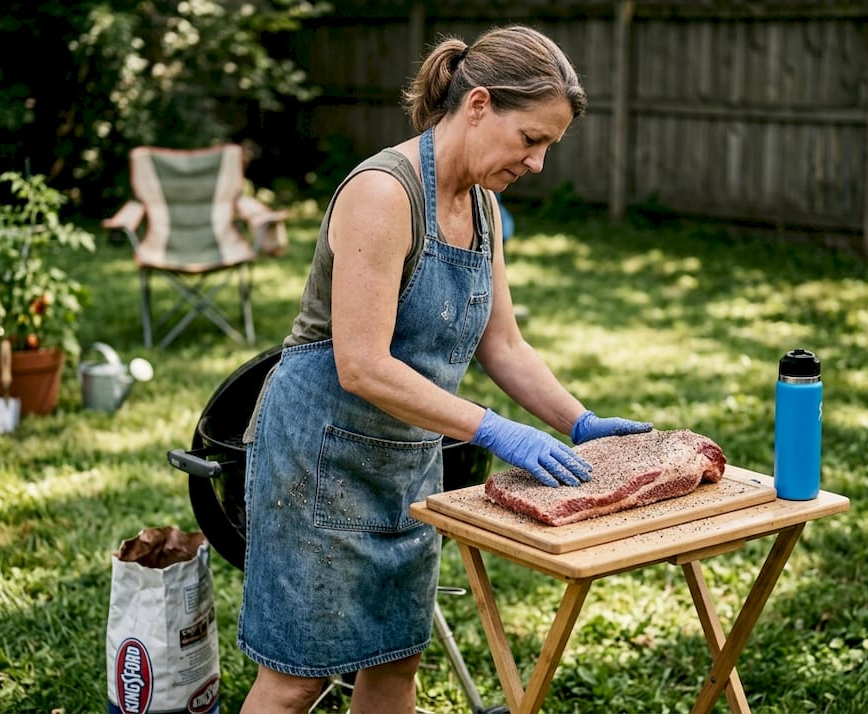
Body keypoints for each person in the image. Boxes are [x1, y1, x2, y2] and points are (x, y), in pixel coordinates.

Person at [237, 25, 652, 713]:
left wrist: (577, 421)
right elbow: (362, 365)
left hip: (406, 458)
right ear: (480, 104)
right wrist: (495, 430)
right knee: (294, 682)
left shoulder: (483, 206)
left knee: (397, 663)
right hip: (319, 461)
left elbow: (505, 346)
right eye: (532, 139)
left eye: (549, 146)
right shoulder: (383, 192)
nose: (539, 163)